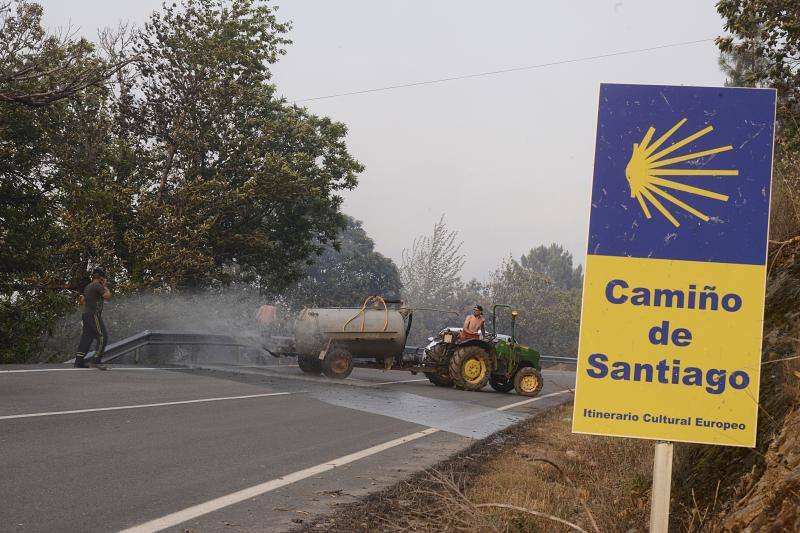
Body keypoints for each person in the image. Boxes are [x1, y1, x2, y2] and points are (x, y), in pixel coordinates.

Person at [74, 268, 112, 370]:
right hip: (93, 314)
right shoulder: (97, 285)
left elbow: (82, 300)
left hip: (86, 314)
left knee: (87, 338)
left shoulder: (88, 286)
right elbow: (108, 297)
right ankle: (96, 360)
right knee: (102, 336)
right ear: (101, 277)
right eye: (103, 278)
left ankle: (78, 361)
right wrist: (105, 286)